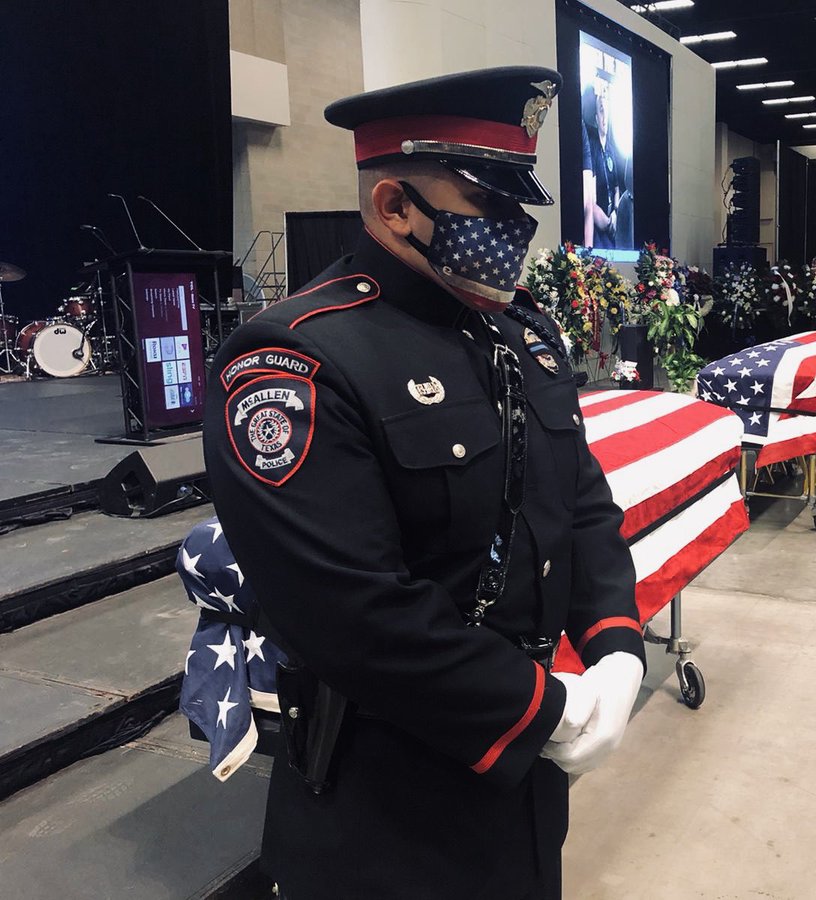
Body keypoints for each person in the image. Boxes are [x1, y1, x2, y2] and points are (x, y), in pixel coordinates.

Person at [203, 66, 647, 900]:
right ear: (394, 208)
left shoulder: (520, 333)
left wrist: (617, 646)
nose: (515, 231)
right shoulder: (297, 359)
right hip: (388, 801)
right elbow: (351, 611)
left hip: (518, 784)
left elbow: (579, 501)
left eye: (522, 208)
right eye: (489, 206)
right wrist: (539, 710)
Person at [581, 70, 631, 249]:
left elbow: (617, 186)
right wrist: (603, 220)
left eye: (607, 110)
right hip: (597, 225)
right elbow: (589, 195)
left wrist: (616, 213)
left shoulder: (611, 149)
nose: (605, 116)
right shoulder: (591, 146)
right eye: (601, 110)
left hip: (612, 222)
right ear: (595, 115)